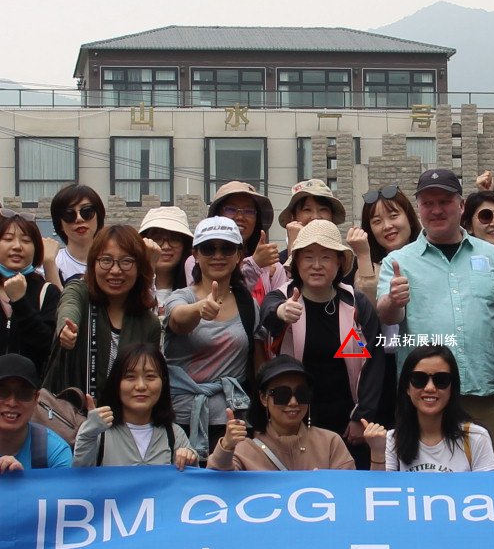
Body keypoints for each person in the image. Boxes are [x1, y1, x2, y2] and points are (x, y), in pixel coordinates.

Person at [212, 354, 358, 549]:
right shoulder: (245, 448)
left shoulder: (330, 442)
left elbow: (352, 502)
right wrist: (225, 447)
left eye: (301, 393)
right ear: (263, 399)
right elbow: (216, 489)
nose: (293, 402)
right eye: (281, 394)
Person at [375, 168, 494, 448]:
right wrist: (393, 299)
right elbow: (387, 315)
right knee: (422, 470)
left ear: (462, 205)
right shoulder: (398, 261)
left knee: (487, 470)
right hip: (423, 396)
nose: (436, 210)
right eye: (428, 203)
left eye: (445, 201)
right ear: (419, 208)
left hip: (482, 395)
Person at [74, 345, 201, 549]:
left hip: (162, 539)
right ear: (116, 383)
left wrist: (190, 460)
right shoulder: (99, 430)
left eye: (150, 377)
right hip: (111, 540)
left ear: (163, 384)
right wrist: (88, 433)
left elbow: (191, 498)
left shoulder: (173, 433)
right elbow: (77, 483)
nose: (141, 386)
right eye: (130, 377)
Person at [382, 342, 494, 549]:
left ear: (453, 387)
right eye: (420, 379)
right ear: (407, 387)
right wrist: (376, 453)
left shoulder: (475, 437)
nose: (430, 388)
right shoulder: (392, 440)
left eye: (441, 380)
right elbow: (382, 508)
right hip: (413, 548)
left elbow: (491, 505)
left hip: (465, 547)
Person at [263, 217, 391, 463]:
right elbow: (269, 315)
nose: (317, 265)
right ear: (297, 261)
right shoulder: (283, 297)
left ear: (339, 262)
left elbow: (372, 360)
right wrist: (281, 312)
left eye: (326, 257)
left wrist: (361, 416)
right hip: (293, 415)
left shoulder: (354, 303)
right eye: (308, 257)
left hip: (347, 420)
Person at [164, 216, 261, 454]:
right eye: (209, 248)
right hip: (180, 418)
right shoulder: (182, 297)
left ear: (238, 256)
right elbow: (177, 320)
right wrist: (199, 309)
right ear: (196, 255)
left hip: (234, 418)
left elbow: (257, 362)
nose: (218, 256)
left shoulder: (248, 305)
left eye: (226, 248)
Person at [46, 225, 165, 413]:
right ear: (93, 263)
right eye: (106, 260)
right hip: (68, 418)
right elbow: (69, 304)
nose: (115, 270)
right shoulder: (80, 292)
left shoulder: (148, 323)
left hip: (121, 420)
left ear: (139, 267)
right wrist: (66, 329)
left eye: (126, 262)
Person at [0, 213, 61, 362]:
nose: (17, 246)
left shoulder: (48, 292)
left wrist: (20, 301)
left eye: (26, 240)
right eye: (8, 239)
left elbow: (48, 346)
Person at [210, 180, 280, 297]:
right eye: (231, 209)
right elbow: (219, 300)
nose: (240, 217)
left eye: (249, 211)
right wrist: (254, 265)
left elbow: (279, 304)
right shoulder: (200, 260)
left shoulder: (272, 267)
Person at [353, 185, 420, 297]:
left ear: (410, 218)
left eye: (393, 216)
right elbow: (369, 305)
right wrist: (363, 255)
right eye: (377, 221)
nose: (387, 226)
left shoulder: (432, 257)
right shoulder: (368, 270)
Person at [46, 183, 106, 286]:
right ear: (60, 224)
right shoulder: (49, 264)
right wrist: (49, 265)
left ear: (98, 217)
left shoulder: (114, 262)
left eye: (87, 211)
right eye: (69, 214)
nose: (79, 219)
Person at [137, 205, 195, 294]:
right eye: (157, 238)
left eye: (174, 239)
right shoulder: (128, 288)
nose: (166, 246)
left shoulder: (195, 288)